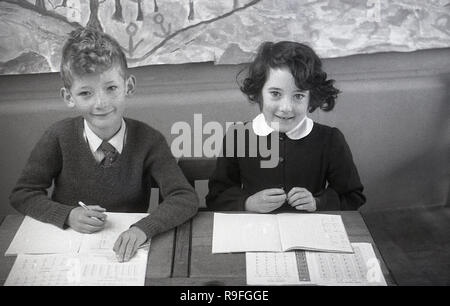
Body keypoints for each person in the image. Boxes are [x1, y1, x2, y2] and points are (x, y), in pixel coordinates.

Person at [9, 27, 198, 262]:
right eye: (86, 93)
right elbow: (22, 194)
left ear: (128, 86)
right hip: (66, 249)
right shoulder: (58, 136)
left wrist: (144, 228)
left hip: (124, 252)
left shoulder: (149, 141)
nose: (101, 103)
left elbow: (184, 197)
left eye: (111, 88)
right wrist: (67, 214)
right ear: (69, 97)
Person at [206, 41, 365, 213]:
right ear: (259, 93)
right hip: (254, 231)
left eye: (298, 96)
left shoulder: (330, 139)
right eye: (275, 94)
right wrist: (247, 203)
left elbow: (353, 196)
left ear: (311, 98)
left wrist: (318, 202)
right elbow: (216, 197)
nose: (286, 107)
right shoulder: (237, 136)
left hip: (309, 232)